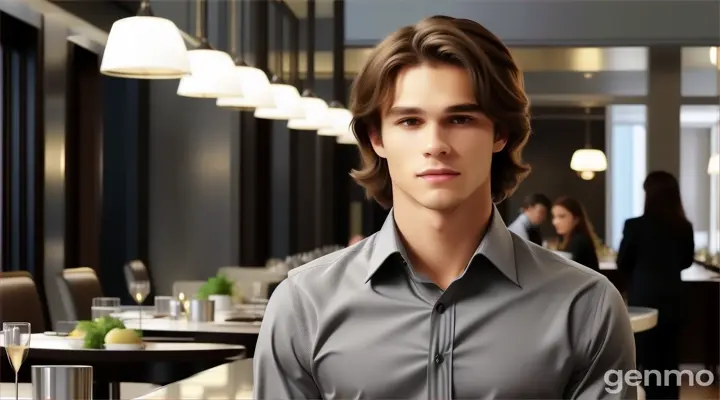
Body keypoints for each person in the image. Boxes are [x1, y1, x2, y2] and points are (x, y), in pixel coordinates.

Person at [254, 15, 635, 399]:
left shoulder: (587, 305)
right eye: (409, 121)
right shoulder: (303, 305)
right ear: (377, 138)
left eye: (460, 118)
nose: (435, 143)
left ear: (500, 133)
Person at [616, 171, 695, 400]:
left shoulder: (634, 226)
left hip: (645, 301)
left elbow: (623, 262)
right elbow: (686, 261)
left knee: (646, 361)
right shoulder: (684, 227)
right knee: (670, 362)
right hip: (674, 300)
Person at [551, 196, 601, 271]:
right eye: (554, 217)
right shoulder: (566, 240)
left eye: (561, 216)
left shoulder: (579, 241)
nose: (555, 222)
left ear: (576, 219)